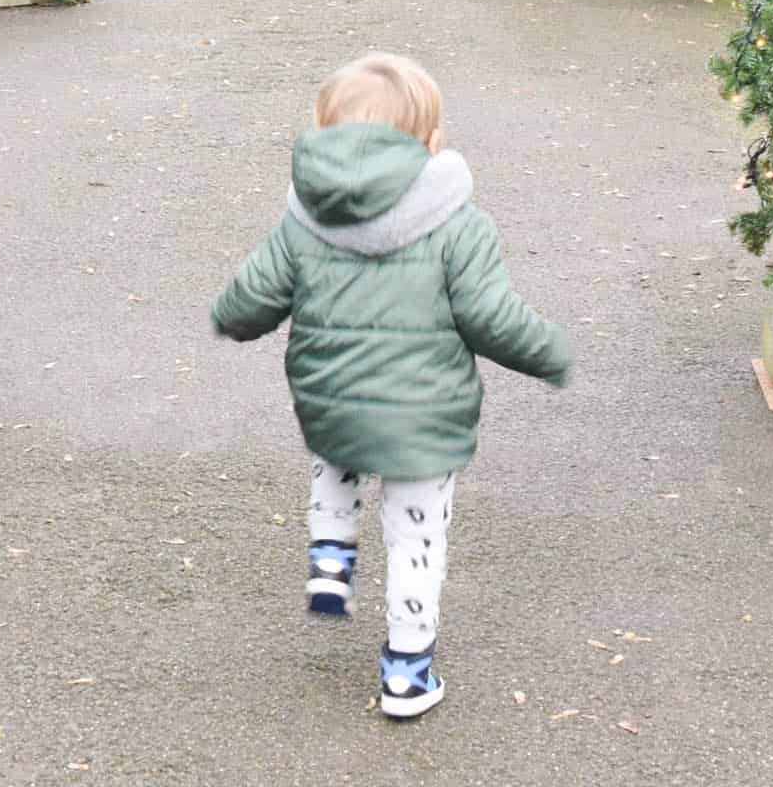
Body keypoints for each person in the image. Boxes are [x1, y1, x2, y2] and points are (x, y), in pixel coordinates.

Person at [210, 53, 572, 720]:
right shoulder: (460, 223)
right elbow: (492, 318)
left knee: (339, 447)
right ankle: (407, 672)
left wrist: (227, 318)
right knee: (415, 539)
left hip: (331, 398)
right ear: (431, 145)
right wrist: (551, 353)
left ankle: (330, 555)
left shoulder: (303, 218)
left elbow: (253, 296)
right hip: (423, 420)